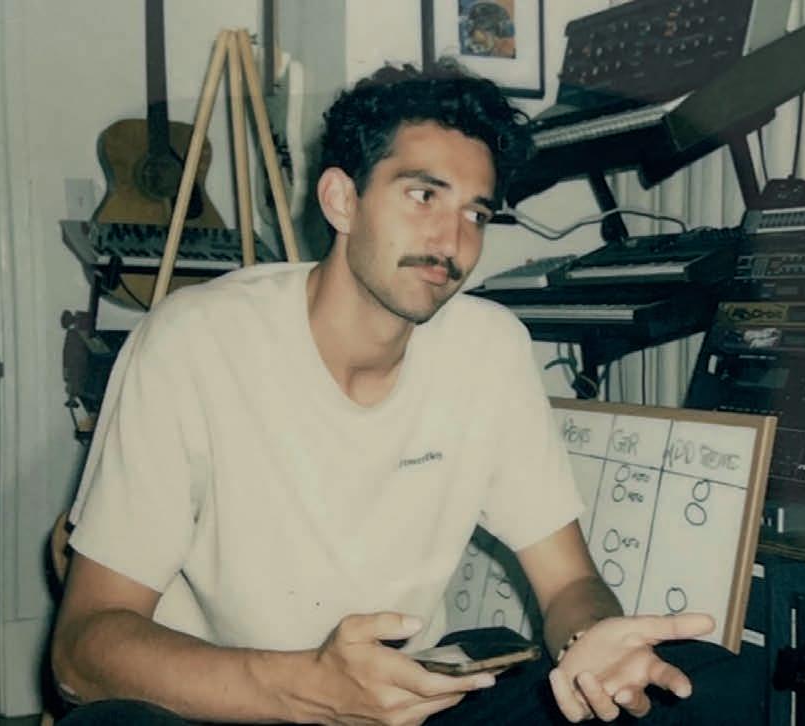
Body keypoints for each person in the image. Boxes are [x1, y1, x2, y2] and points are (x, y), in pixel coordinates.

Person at [51, 62, 758, 725]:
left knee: (704, 682)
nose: (452, 241)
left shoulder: (490, 348)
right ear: (342, 200)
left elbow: (568, 582)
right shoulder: (194, 342)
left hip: (405, 705)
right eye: (424, 196)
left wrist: (593, 642)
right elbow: (81, 652)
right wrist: (311, 688)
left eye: (476, 214)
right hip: (234, 704)